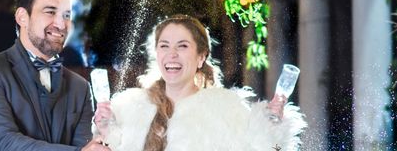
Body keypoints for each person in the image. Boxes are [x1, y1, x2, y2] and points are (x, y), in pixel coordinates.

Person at [93, 14, 307, 151]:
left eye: (183, 46)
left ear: (201, 56)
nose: (172, 54)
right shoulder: (129, 109)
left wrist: (272, 128)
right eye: (164, 46)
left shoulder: (225, 110)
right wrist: (105, 130)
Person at [0, 0, 108, 151]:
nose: (61, 24)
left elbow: (86, 146)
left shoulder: (81, 87)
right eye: (50, 12)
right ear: (22, 17)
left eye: (66, 15)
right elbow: (4, 142)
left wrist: (105, 132)